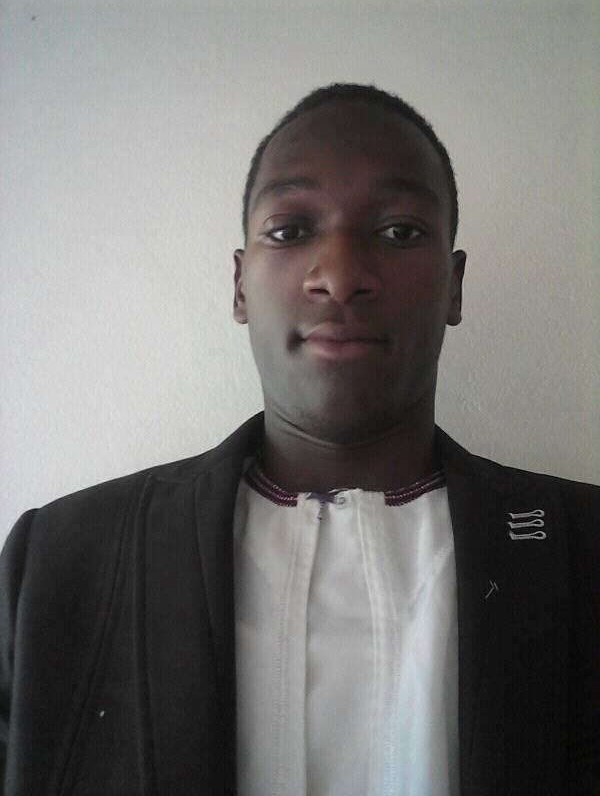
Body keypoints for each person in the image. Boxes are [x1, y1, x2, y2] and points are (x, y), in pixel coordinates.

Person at [0, 83, 598, 796]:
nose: (340, 277)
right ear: (240, 286)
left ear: (455, 286)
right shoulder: (57, 565)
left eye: (400, 231)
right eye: (289, 231)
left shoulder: (585, 551)